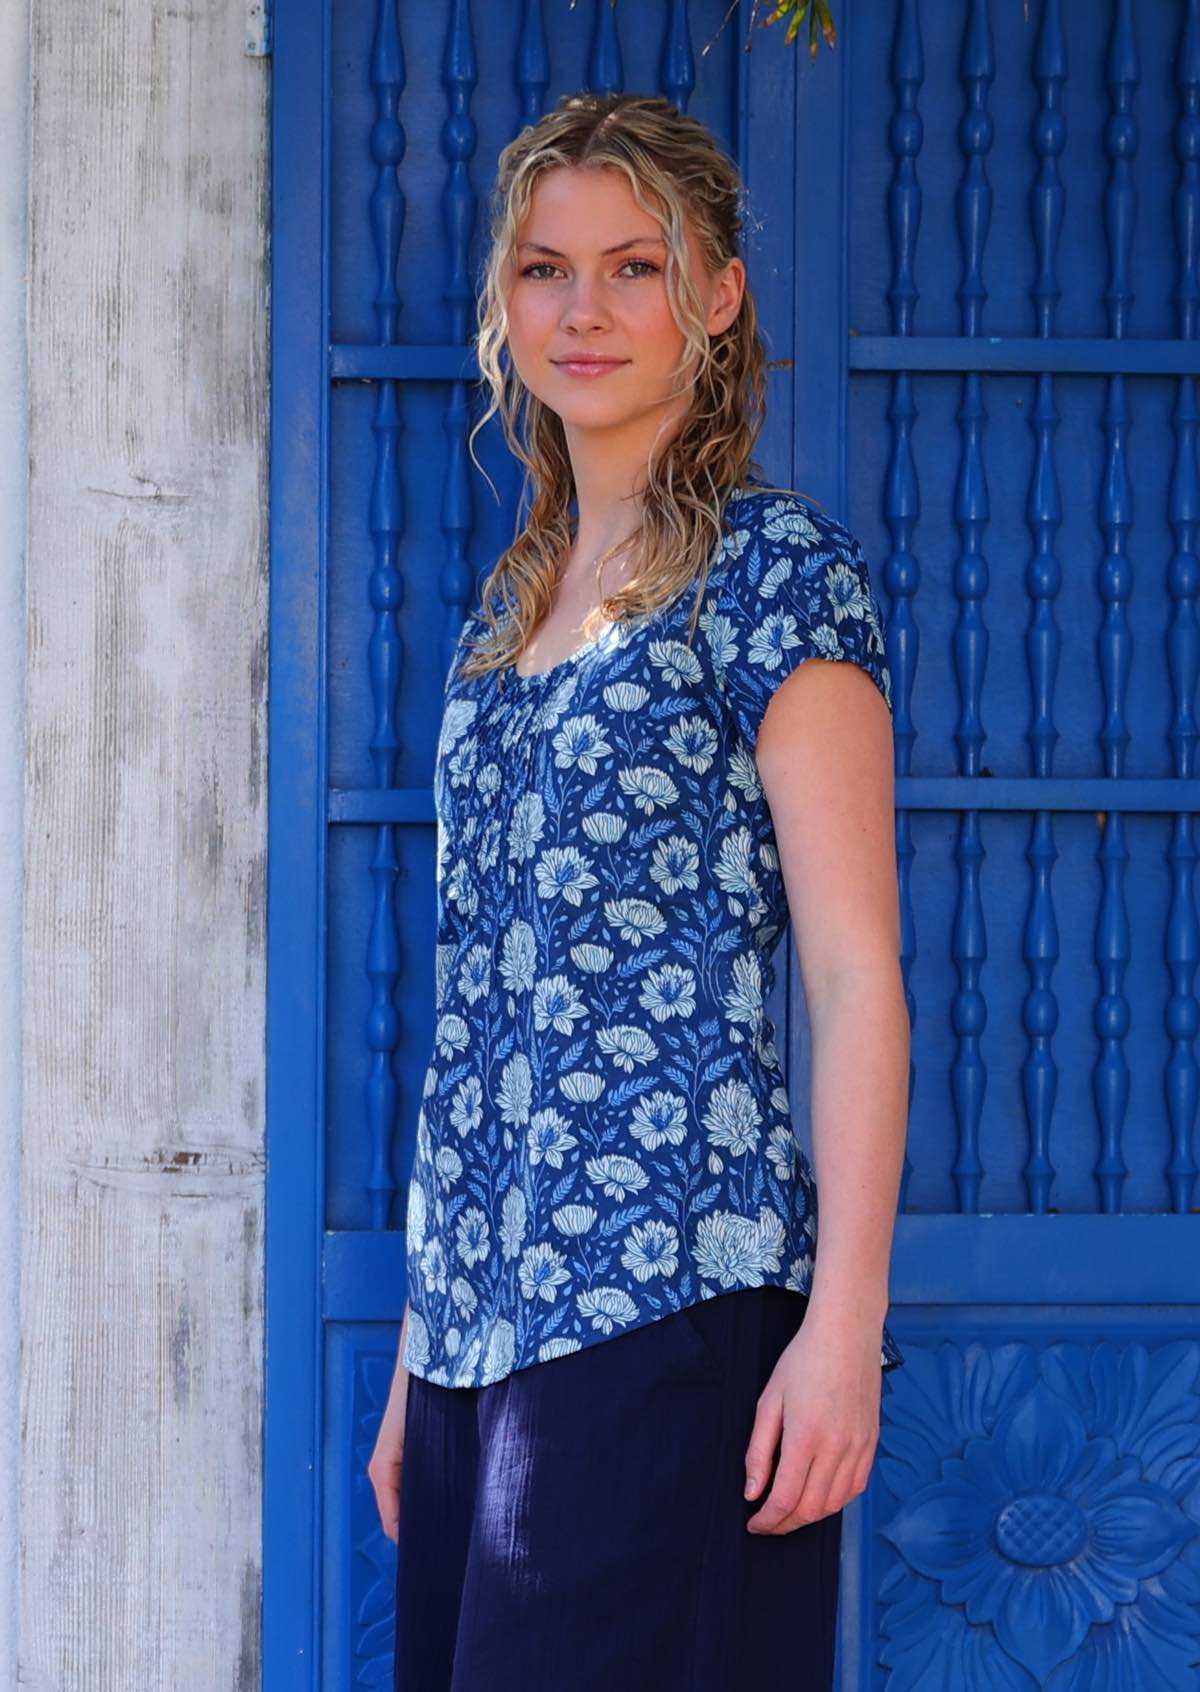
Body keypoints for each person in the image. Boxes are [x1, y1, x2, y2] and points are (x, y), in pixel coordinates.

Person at [368, 89, 909, 1692]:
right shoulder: (508, 612)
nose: (583, 311)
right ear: (506, 300)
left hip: (667, 1304)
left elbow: (853, 976)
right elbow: (479, 1005)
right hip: (478, 1342)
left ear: (719, 295)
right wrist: (419, 1356)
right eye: (546, 270)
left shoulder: (778, 573)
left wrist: (843, 1331)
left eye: (635, 267)